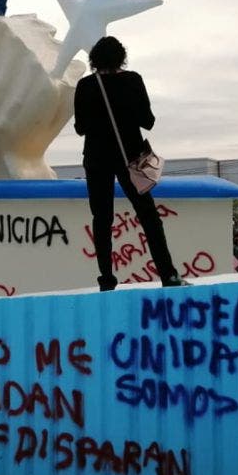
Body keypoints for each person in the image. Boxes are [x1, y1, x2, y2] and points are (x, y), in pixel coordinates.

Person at [74, 36, 184, 290]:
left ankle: (106, 280)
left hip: (97, 159)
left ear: (94, 59)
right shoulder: (133, 80)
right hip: (131, 157)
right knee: (148, 216)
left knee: (102, 219)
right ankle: (168, 275)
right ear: (121, 58)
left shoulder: (86, 85)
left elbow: (80, 127)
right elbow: (148, 121)